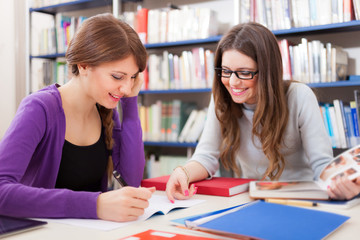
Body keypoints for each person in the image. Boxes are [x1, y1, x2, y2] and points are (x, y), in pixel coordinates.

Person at [166, 22, 360, 202]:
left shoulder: (299, 96)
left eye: (244, 72)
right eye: (225, 71)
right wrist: (183, 173)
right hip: (252, 197)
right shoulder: (221, 99)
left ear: (268, 72)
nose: (232, 83)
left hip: (301, 199)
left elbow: (322, 165)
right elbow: (206, 157)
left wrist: (339, 185)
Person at [0, 13, 155, 222]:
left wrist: (130, 102)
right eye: (117, 76)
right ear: (83, 65)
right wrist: (95, 205)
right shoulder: (39, 108)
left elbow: (131, 179)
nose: (127, 87)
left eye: (133, 77)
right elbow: (2, 192)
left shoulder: (106, 111)